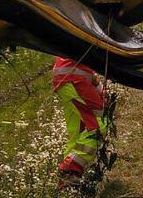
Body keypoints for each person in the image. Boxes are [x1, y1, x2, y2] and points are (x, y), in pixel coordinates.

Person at [51, 56, 104, 189]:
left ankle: (67, 183)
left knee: (77, 131)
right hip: (74, 78)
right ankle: (70, 169)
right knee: (99, 123)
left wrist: (97, 85)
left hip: (67, 76)